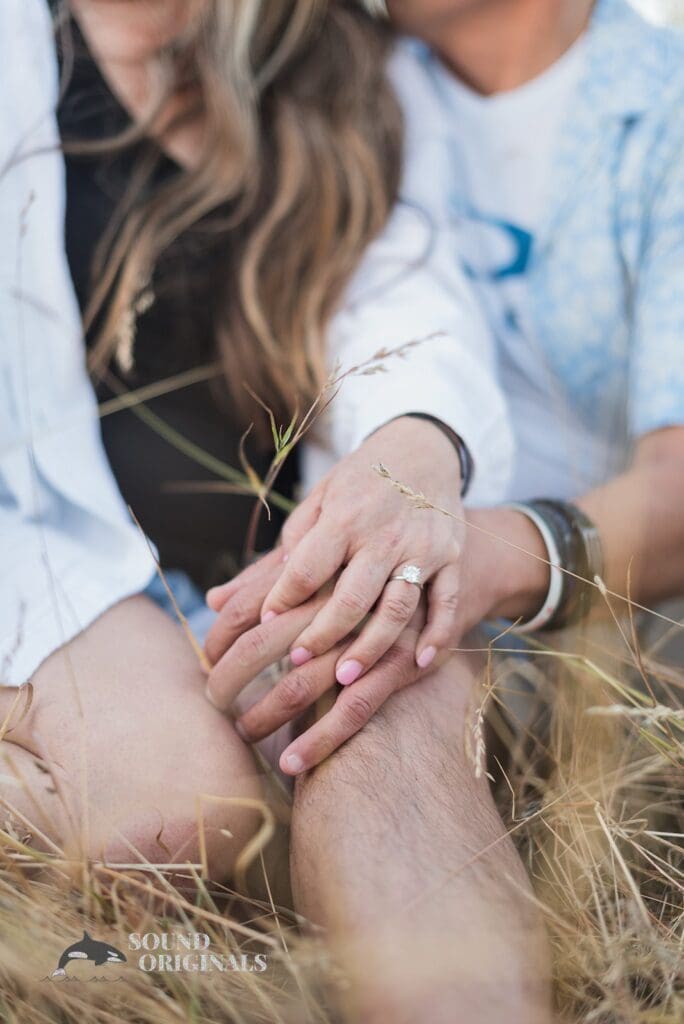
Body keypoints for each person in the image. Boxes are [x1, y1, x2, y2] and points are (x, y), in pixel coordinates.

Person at [1, 2, 544, 1023]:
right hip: (45, 557)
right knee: (181, 818)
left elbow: (410, 292)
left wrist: (414, 444)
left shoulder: (344, 62)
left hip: (285, 565)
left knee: (384, 677)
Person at [204, 0, 684, 1018]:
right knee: (365, 670)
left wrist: (489, 552)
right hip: (399, 566)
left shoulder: (664, 105)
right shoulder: (335, 83)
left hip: (625, 606)